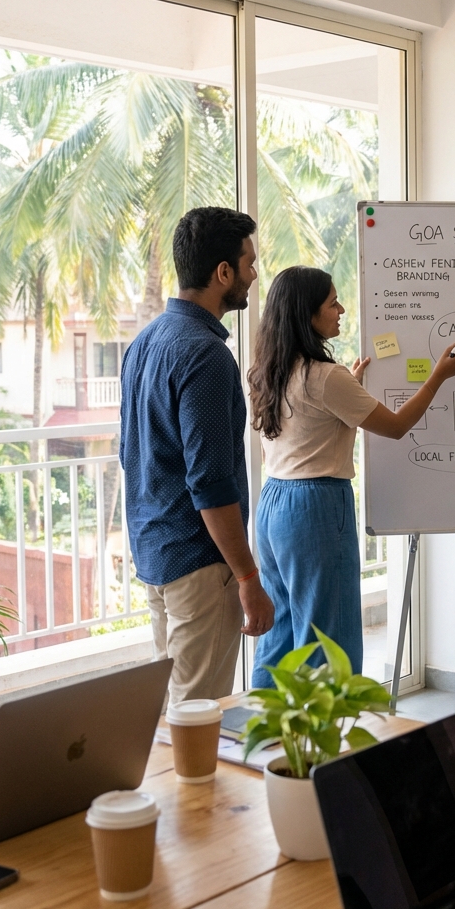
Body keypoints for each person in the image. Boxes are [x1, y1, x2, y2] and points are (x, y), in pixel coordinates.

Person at [248, 266, 455, 684]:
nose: (342, 309)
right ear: (307, 315)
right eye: (332, 303)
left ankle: (264, 734)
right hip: (315, 506)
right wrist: (439, 375)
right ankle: (323, 744)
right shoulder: (325, 376)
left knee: (281, 634)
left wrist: (351, 386)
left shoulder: (269, 371)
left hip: (274, 503)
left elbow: (305, 427)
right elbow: (398, 425)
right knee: (327, 637)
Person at [120, 207, 274, 704]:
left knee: (172, 713)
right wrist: (248, 576)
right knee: (198, 717)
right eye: (249, 263)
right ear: (222, 272)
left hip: (156, 555)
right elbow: (209, 484)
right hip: (201, 565)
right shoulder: (206, 354)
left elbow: (130, 454)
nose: (253, 274)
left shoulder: (143, 342)